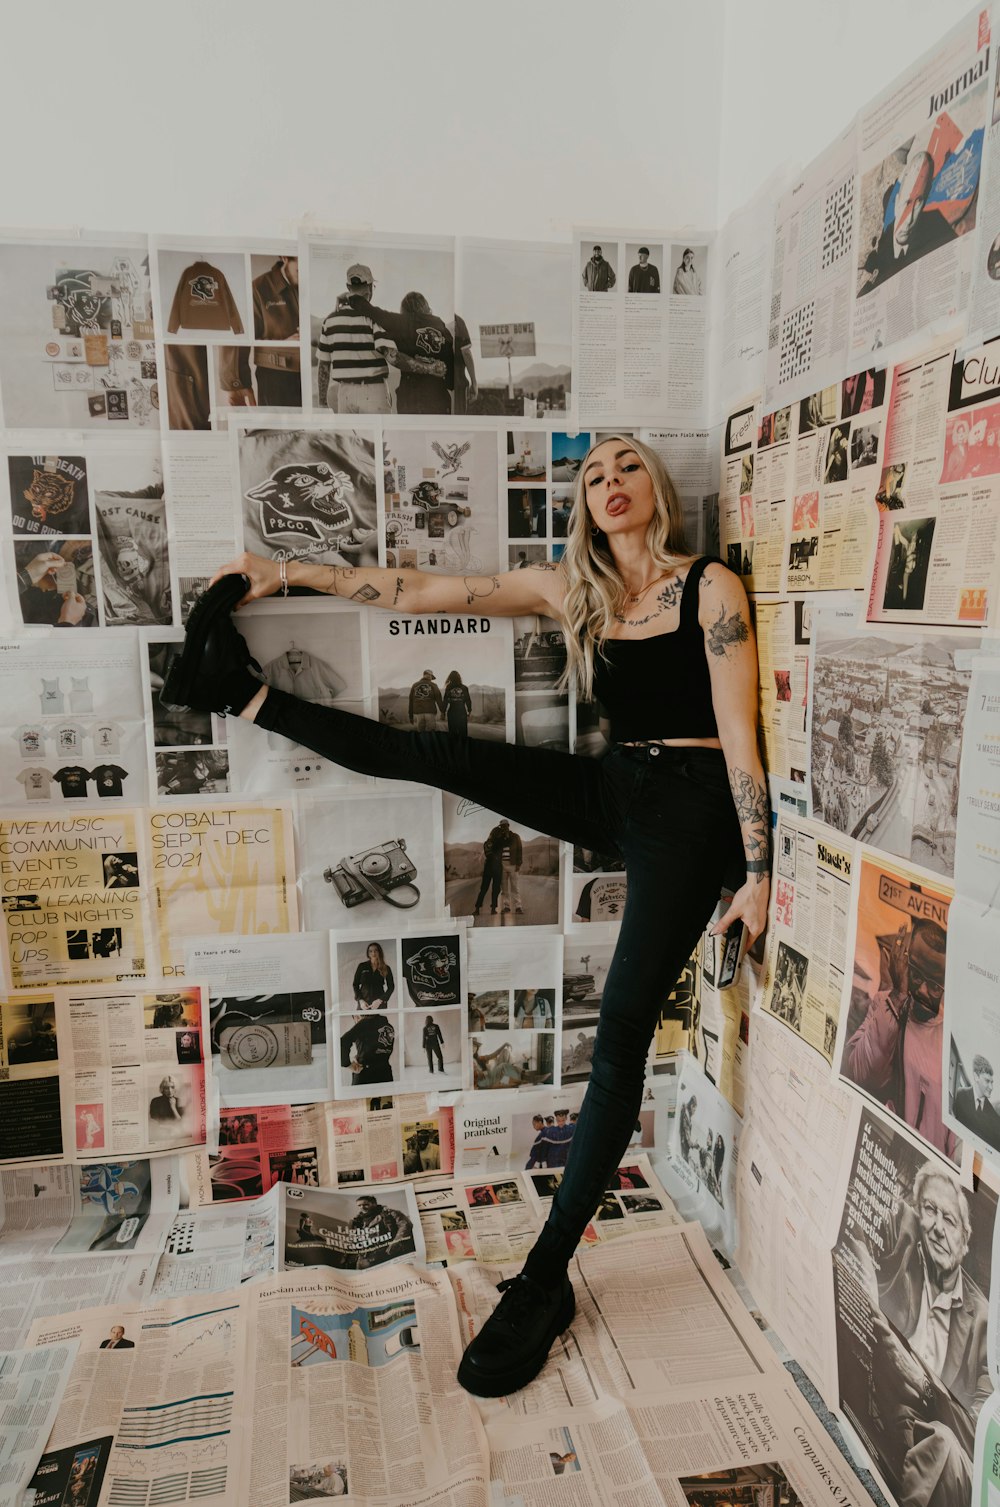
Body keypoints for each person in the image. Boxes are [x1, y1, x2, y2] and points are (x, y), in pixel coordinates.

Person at [165, 431, 769, 1398]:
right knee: (436, 754)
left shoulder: (710, 589)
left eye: (626, 468)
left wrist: (759, 871)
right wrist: (278, 570)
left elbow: (740, 736)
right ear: (584, 502)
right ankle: (239, 693)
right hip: (619, 786)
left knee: (616, 1044)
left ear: (656, 488)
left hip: (693, 813)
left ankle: (543, 1280)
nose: (610, 484)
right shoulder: (573, 589)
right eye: (593, 475)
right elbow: (420, 593)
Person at [845, 920, 954, 1159]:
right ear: (904, 964)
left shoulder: (950, 1041)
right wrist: (897, 997)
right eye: (916, 975)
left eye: (935, 986)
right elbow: (862, 1072)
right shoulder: (885, 1004)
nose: (924, 990)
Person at [340, 282, 455, 413]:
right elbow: (451, 359)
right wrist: (449, 381)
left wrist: (349, 296)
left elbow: (370, 310)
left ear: (404, 309)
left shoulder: (400, 322)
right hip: (437, 397)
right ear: (426, 307)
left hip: (409, 398)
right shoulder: (440, 325)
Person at [861, 152, 956, 294]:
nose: (909, 219)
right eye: (907, 203)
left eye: (919, 202)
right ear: (897, 200)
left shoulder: (940, 229)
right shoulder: (880, 240)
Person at [317, 264, 397, 414]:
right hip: (373, 392)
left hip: (345, 393)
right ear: (370, 287)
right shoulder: (374, 318)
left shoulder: (330, 321)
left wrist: (322, 402)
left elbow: (323, 366)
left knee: (350, 438)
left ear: (348, 286)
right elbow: (392, 355)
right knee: (376, 437)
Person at [953, 1055, 1000, 1148]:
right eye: (987, 1081)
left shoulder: (994, 1117)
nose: (991, 1087)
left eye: (992, 1082)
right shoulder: (960, 1095)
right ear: (976, 1077)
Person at [340, 1013, 395, 1085]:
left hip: (365, 1074)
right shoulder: (389, 1026)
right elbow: (374, 1048)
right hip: (386, 1073)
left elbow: (342, 1042)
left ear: (357, 1016)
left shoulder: (364, 1023)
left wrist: (347, 1064)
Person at [487, 818, 523, 915]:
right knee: (504, 888)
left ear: (508, 826)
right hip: (502, 865)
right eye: (502, 827)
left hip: (513, 865)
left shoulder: (515, 837)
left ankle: (518, 907)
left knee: (515, 887)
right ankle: (506, 907)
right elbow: (493, 848)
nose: (503, 828)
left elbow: (519, 850)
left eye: (505, 826)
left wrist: (519, 864)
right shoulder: (499, 839)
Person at [352, 942, 395, 1009]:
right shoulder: (362, 966)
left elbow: (391, 987)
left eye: (376, 950)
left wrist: (380, 1000)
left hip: (379, 1004)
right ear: (368, 953)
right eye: (371, 951)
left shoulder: (386, 968)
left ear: (379, 952)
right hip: (363, 1004)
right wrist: (361, 1001)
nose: (373, 953)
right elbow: (355, 985)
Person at [442, 670, 473, 736]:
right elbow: (468, 700)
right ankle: (463, 745)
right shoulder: (464, 688)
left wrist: (443, 712)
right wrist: (469, 711)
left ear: (450, 678)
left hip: (452, 712)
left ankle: (454, 746)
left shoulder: (448, 687)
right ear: (459, 678)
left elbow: (445, 701)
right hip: (462, 712)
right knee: (463, 732)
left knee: (452, 733)